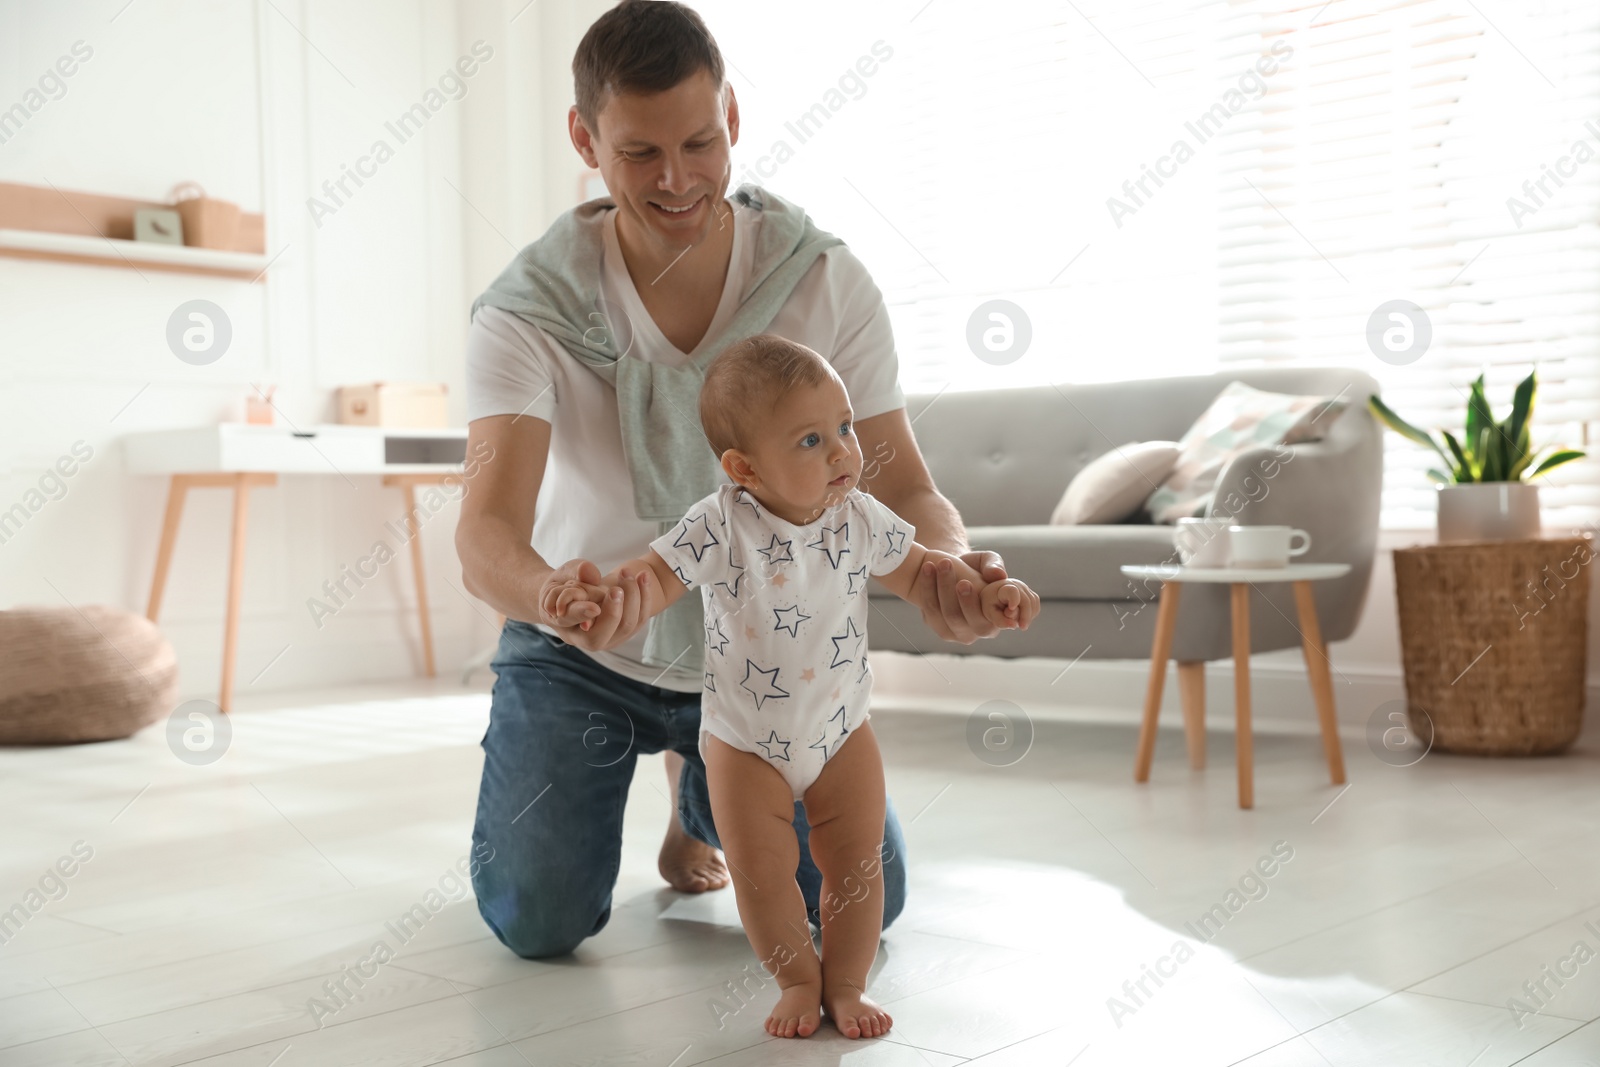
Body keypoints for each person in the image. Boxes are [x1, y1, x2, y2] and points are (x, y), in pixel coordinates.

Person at [455, 0, 1039, 964]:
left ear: (732, 117)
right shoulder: (529, 309)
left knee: (863, 905)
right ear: (584, 140)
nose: (677, 179)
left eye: (698, 141)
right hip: (584, 647)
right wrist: (553, 595)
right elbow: (486, 534)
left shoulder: (826, 283)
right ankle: (689, 777)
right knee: (537, 919)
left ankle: (703, 791)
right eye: (640, 153)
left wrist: (947, 564)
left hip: (771, 657)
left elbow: (903, 487)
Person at [548, 336, 1037, 1038]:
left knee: (857, 864)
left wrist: (988, 592)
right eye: (811, 439)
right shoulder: (720, 522)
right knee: (764, 871)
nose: (843, 450)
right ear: (744, 468)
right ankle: (797, 978)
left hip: (841, 731)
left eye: (843, 426)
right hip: (744, 741)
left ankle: (846, 983)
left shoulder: (860, 517)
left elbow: (930, 573)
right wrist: (605, 599)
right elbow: (652, 578)